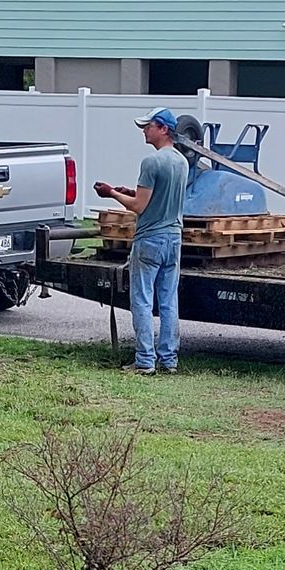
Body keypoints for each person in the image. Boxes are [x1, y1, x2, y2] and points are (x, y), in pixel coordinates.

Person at [95, 108, 189, 373]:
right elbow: (157, 195)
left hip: (150, 239)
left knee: (143, 301)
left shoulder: (151, 162)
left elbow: (139, 206)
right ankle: (169, 360)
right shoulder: (181, 162)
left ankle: (145, 361)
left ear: (163, 129)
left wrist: (111, 192)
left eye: (148, 126)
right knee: (169, 302)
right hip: (173, 238)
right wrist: (130, 191)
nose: (144, 131)